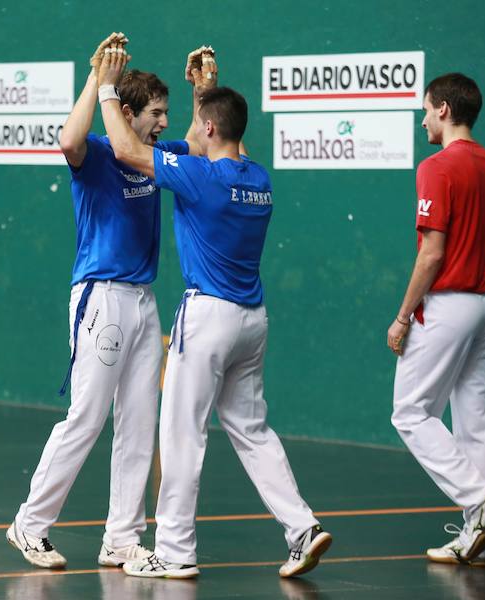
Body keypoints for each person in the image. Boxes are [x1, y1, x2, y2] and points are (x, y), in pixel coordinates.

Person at [96, 42, 332, 579]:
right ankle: (303, 528)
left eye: (196, 121)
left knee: (181, 433)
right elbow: (221, 137)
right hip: (253, 321)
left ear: (204, 128)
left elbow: (129, 152)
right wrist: (207, 90)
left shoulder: (199, 178)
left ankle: (175, 551)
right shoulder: (258, 180)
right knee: (253, 431)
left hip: (208, 321)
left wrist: (108, 86)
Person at [6, 33, 204, 569]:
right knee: (87, 416)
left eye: (165, 113)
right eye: (157, 113)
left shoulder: (155, 155)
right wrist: (99, 78)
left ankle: (121, 537)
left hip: (143, 301)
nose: (163, 122)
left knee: (139, 420)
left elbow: (199, 143)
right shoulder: (96, 153)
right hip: (101, 297)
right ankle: (29, 524)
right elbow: (69, 140)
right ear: (131, 111)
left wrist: (199, 91)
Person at [388, 73, 485, 566]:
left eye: (425, 110)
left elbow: (432, 253)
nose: (422, 119)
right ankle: (479, 537)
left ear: (443, 109)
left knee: (410, 412)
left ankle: (479, 499)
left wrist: (402, 317)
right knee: (478, 419)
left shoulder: (438, 167)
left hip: (449, 305)